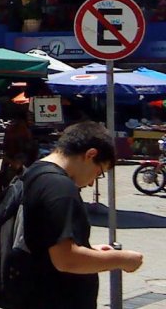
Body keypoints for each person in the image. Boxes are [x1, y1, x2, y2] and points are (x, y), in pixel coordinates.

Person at [21, 121, 143, 309]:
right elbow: (66, 260)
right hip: (56, 299)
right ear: (90, 155)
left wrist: (89, 250)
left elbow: (44, 241)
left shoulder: (36, 171)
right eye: (98, 172)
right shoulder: (60, 188)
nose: (92, 183)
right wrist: (122, 259)